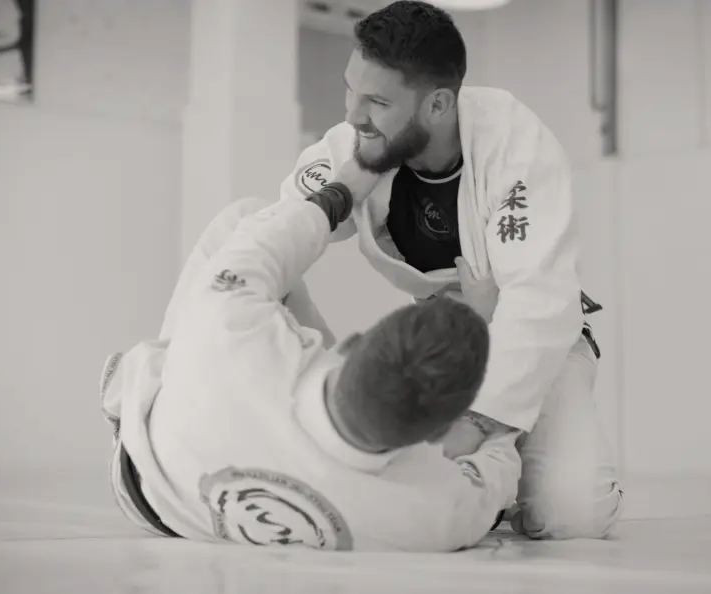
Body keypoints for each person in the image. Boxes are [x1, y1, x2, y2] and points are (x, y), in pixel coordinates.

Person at [278, 0, 622, 540]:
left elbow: (540, 296)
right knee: (426, 482)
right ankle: (503, 484)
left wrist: (479, 422)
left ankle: (521, 468)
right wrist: (350, 184)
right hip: (447, 342)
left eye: (376, 100)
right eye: (351, 89)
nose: (352, 114)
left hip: (540, 342)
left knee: (574, 516)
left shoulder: (512, 139)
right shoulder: (360, 139)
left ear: (438, 104)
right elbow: (292, 222)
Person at [99, 161, 522, 552]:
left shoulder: (232, 333)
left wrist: (347, 186)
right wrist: (495, 330)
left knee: (245, 219)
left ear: (350, 345)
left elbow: (261, 239)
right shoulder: (440, 513)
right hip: (176, 500)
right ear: (436, 434)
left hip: (148, 477)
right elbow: (498, 459)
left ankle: (138, 390)